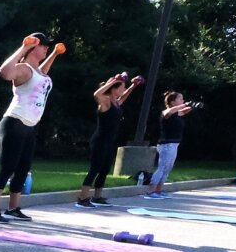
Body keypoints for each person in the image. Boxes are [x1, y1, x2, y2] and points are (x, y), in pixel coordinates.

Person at [0, 33, 60, 222]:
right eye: (43, 46)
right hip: (14, 122)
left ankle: (13, 208)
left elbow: (40, 75)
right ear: (34, 47)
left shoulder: (37, 72)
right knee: (8, 167)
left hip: (28, 126)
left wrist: (55, 55)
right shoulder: (23, 69)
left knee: (23, 168)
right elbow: (4, 72)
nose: (46, 48)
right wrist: (24, 47)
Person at [78, 73, 138, 207]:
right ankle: (82, 198)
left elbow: (124, 97)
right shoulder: (105, 101)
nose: (123, 89)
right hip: (100, 140)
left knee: (105, 169)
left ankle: (97, 197)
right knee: (95, 168)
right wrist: (112, 81)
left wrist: (134, 86)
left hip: (109, 141)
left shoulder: (116, 102)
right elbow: (96, 94)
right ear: (113, 88)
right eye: (121, 87)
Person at [143, 91, 197, 199]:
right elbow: (171, 110)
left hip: (174, 144)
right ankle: (150, 191)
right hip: (166, 144)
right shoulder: (166, 112)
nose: (183, 100)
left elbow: (184, 112)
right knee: (162, 167)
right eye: (180, 99)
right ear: (172, 102)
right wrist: (186, 104)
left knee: (167, 168)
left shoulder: (176, 114)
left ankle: (159, 190)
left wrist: (193, 106)